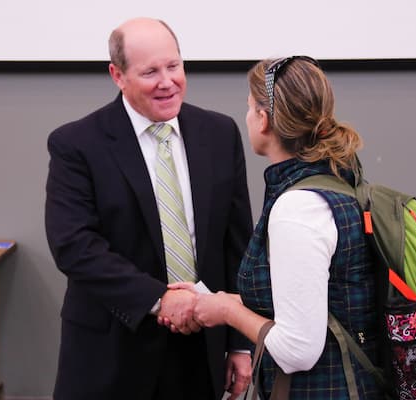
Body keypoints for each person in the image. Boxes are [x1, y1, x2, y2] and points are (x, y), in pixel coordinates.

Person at [44, 17, 253, 400]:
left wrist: (241, 342)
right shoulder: (76, 144)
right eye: (150, 72)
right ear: (117, 75)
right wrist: (159, 299)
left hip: (200, 352)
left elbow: (238, 245)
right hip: (112, 352)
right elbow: (74, 245)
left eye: (174, 66)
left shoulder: (219, 134)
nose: (167, 81)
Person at [168, 56, 384, 399]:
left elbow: (297, 350)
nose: (248, 116)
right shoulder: (338, 182)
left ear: (264, 120)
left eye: (250, 108)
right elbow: (313, 303)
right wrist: (221, 299)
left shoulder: (297, 209)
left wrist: (226, 311)